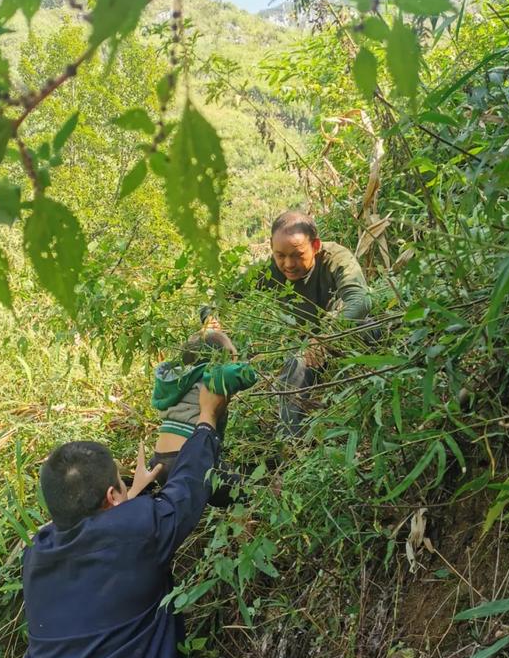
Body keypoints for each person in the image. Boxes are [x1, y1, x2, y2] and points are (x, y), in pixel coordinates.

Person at [5, 386, 228, 658]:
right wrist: (206, 419)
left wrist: (133, 499)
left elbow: (103, 545)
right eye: (120, 489)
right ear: (112, 497)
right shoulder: (134, 531)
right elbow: (188, 488)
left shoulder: (38, 556)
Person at [257, 210, 372, 435]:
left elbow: (360, 300)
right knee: (296, 364)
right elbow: (224, 294)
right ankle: (289, 441)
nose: (288, 264)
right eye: (280, 255)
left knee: (371, 328)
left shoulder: (336, 257)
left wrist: (326, 337)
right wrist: (210, 317)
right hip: (307, 351)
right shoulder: (269, 269)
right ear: (271, 246)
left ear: (316, 245)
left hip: (343, 335)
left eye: (297, 255)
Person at [149, 312, 256, 505]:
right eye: (232, 356)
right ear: (218, 361)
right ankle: (246, 521)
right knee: (241, 490)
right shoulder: (210, 377)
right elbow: (244, 375)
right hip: (187, 459)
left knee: (214, 489)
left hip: (160, 460)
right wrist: (246, 366)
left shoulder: (177, 380)